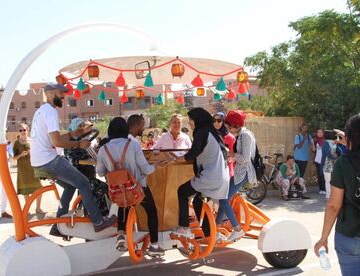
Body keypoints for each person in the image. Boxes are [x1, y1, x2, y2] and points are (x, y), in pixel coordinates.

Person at [30, 83, 115, 237]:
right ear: (49, 94)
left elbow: (53, 139)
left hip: (38, 162)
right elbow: (56, 142)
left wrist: (74, 133)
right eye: (60, 93)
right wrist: (79, 143)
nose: (63, 96)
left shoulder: (41, 111)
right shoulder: (50, 112)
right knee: (83, 183)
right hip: (50, 160)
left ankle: (57, 226)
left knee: (70, 187)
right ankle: (98, 222)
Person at [314, 113, 360, 276]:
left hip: (351, 235)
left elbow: (334, 205)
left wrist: (323, 239)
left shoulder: (344, 162)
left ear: (350, 135)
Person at [96, 117, 165, 256]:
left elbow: (100, 172)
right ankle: (154, 246)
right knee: (151, 212)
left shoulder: (103, 149)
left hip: (117, 189)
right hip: (138, 187)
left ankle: (121, 235)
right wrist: (155, 166)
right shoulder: (132, 145)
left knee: (123, 205)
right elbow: (145, 169)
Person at [171, 108, 229, 238]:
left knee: (182, 191)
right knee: (197, 201)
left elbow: (193, 153)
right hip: (220, 176)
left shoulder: (202, 132)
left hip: (210, 176)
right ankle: (210, 234)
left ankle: (184, 227)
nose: (189, 123)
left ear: (198, 119)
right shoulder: (212, 132)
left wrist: (174, 160)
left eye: (191, 120)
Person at [215, 110, 254, 242]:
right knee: (223, 199)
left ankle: (237, 230)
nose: (228, 129)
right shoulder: (242, 135)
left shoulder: (245, 136)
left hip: (243, 173)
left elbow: (245, 158)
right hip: (239, 173)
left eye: (229, 126)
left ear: (236, 125)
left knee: (223, 199)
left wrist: (231, 155)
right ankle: (216, 230)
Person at [13, 123, 44, 214]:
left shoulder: (32, 141)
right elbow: (14, 158)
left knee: (39, 188)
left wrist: (32, 153)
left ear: (27, 130)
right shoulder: (17, 143)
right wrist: (21, 155)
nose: (22, 132)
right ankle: (28, 208)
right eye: (20, 130)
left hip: (34, 167)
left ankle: (38, 208)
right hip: (23, 169)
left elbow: (39, 153)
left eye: (24, 130)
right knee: (26, 190)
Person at [213, 112, 235, 177]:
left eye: (219, 121)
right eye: (214, 121)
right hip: (213, 171)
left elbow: (233, 157)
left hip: (226, 171)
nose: (216, 123)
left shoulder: (230, 138)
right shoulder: (211, 136)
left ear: (223, 122)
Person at [313, 129, 327, 194]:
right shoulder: (315, 141)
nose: (319, 133)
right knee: (319, 175)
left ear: (323, 133)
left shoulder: (326, 141)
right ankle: (320, 189)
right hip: (317, 161)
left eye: (321, 132)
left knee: (323, 175)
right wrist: (313, 148)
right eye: (318, 132)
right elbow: (314, 150)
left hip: (323, 161)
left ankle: (324, 189)